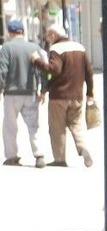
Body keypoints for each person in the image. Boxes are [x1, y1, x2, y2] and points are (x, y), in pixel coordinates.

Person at [31, 24, 95, 168]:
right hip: (77, 96)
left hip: (58, 96)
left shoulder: (56, 49)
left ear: (53, 35)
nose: (47, 39)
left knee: (57, 128)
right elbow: (89, 72)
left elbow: (54, 70)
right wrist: (90, 93)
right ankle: (83, 148)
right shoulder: (80, 47)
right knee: (76, 125)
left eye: (48, 35)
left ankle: (59, 159)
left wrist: (36, 61)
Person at [0, 19, 47, 168]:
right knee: (34, 126)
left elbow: (3, 71)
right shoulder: (34, 47)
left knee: (10, 127)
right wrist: (43, 90)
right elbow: (43, 69)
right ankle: (39, 155)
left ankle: (12, 157)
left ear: (9, 32)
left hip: (11, 94)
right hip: (31, 92)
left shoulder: (6, 48)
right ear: (23, 32)